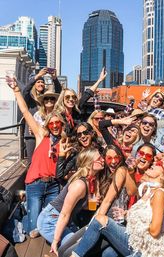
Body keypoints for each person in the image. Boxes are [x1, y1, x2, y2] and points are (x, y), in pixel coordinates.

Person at [71, 163, 164, 257]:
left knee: (100, 220)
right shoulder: (149, 191)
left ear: (163, 176)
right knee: (108, 253)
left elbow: (154, 231)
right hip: (134, 240)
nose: (154, 163)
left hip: (146, 249)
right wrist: (126, 215)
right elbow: (144, 215)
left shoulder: (159, 194)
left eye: (159, 164)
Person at [5, 77, 64, 238]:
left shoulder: (64, 142)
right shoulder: (40, 134)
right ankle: (21, 215)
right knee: (32, 230)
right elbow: (25, 111)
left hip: (53, 186)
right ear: (47, 125)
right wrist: (17, 90)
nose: (55, 126)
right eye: (52, 124)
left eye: (58, 124)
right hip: (36, 184)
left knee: (45, 227)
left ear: (62, 125)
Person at [37, 147, 105, 255]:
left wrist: (95, 193)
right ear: (90, 163)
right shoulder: (79, 185)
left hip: (64, 221)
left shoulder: (92, 180)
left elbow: (91, 207)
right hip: (51, 220)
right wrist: (56, 241)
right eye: (99, 158)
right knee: (78, 248)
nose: (103, 159)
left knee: (83, 244)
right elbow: (64, 214)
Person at [23, 67, 62, 163]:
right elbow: (25, 91)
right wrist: (38, 76)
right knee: (32, 161)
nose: (41, 84)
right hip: (32, 134)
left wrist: (54, 79)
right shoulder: (29, 97)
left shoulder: (46, 98)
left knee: (44, 160)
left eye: (42, 82)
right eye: (38, 82)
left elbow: (59, 93)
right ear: (34, 84)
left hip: (45, 133)